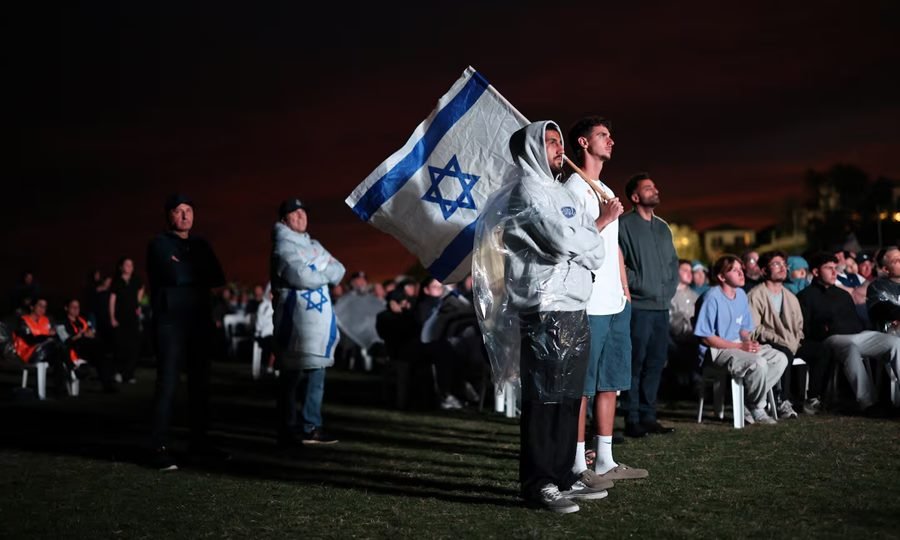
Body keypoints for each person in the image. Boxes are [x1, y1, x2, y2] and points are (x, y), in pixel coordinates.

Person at [474, 121, 608, 513]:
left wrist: (580, 242)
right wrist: (580, 241)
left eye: (560, 141)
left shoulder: (560, 191)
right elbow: (563, 240)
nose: (559, 148)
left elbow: (595, 250)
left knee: (569, 398)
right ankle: (539, 483)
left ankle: (564, 476)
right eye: (550, 142)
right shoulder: (527, 191)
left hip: (574, 306)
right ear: (532, 149)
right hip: (545, 308)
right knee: (545, 398)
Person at [564, 116, 647, 484]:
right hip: (589, 301)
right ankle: (577, 463)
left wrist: (624, 288)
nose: (610, 140)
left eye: (610, 135)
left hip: (615, 301)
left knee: (610, 382)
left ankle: (605, 460)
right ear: (583, 143)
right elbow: (571, 242)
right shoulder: (572, 188)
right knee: (582, 387)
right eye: (602, 135)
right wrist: (604, 217)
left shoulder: (604, 187)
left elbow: (612, 246)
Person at [146, 194, 226, 471]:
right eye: (178, 211)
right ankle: (158, 448)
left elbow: (217, 276)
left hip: (198, 320)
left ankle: (199, 443)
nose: (184, 215)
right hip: (170, 322)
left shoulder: (200, 243)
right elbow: (174, 275)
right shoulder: (159, 244)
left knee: (200, 385)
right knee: (168, 384)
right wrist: (195, 270)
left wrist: (185, 265)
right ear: (168, 215)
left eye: (189, 210)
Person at [271, 198, 345, 447]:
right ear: (284, 220)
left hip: (319, 322)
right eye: (295, 213)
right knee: (291, 378)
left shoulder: (314, 245)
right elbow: (299, 276)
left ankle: (311, 426)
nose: (301, 217)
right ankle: (287, 428)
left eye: (303, 212)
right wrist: (323, 271)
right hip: (295, 320)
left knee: (316, 376)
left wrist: (316, 271)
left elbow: (339, 269)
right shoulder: (282, 246)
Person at [798, 252, 900, 414]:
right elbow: (805, 328)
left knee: (895, 342)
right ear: (816, 272)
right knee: (851, 346)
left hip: (858, 335)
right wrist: (823, 329)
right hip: (831, 339)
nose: (834, 272)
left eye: (835, 268)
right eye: (829, 268)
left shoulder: (843, 295)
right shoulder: (805, 296)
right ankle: (868, 402)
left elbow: (854, 321)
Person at [618, 172, 679, 436]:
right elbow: (617, 262)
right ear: (635, 197)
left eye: (655, 186)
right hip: (639, 307)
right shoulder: (623, 225)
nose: (655, 190)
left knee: (655, 363)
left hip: (662, 308)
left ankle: (649, 415)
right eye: (648, 188)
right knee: (635, 363)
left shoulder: (663, 227)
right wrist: (639, 283)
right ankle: (631, 418)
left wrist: (669, 287)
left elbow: (673, 263)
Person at [694, 255, 788, 424]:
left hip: (738, 346)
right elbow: (706, 337)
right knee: (758, 363)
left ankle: (747, 401)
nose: (741, 273)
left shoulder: (742, 295)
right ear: (722, 277)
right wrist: (739, 347)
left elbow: (744, 329)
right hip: (717, 350)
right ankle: (757, 407)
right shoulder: (712, 297)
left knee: (780, 358)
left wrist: (748, 341)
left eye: (741, 269)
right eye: (734, 270)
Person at [747, 250, 814, 418]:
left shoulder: (791, 297)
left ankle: (813, 398)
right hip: (766, 342)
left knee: (821, 350)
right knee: (784, 352)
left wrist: (796, 340)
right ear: (764, 270)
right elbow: (754, 328)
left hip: (791, 341)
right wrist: (777, 338)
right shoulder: (755, 295)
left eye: (784, 264)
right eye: (776, 264)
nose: (783, 268)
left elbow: (799, 326)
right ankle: (782, 400)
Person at [60, 298, 115, 392]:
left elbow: (91, 332)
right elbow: (65, 340)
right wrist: (80, 335)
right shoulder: (62, 322)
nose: (76, 309)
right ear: (66, 308)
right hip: (74, 349)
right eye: (73, 307)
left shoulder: (82, 320)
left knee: (102, 351)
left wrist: (90, 334)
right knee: (99, 350)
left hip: (88, 347)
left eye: (77, 307)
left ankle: (108, 384)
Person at [109, 257, 144, 384]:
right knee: (120, 345)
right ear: (121, 267)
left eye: (131, 265)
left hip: (132, 318)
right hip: (120, 318)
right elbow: (112, 300)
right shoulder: (117, 281)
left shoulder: (136, 280)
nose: (129, 267)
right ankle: (118, 372)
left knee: (133, 347)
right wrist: (112, 317)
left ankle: (129, 374)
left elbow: (141, 288)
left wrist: (138, 303)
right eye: (127, 264)